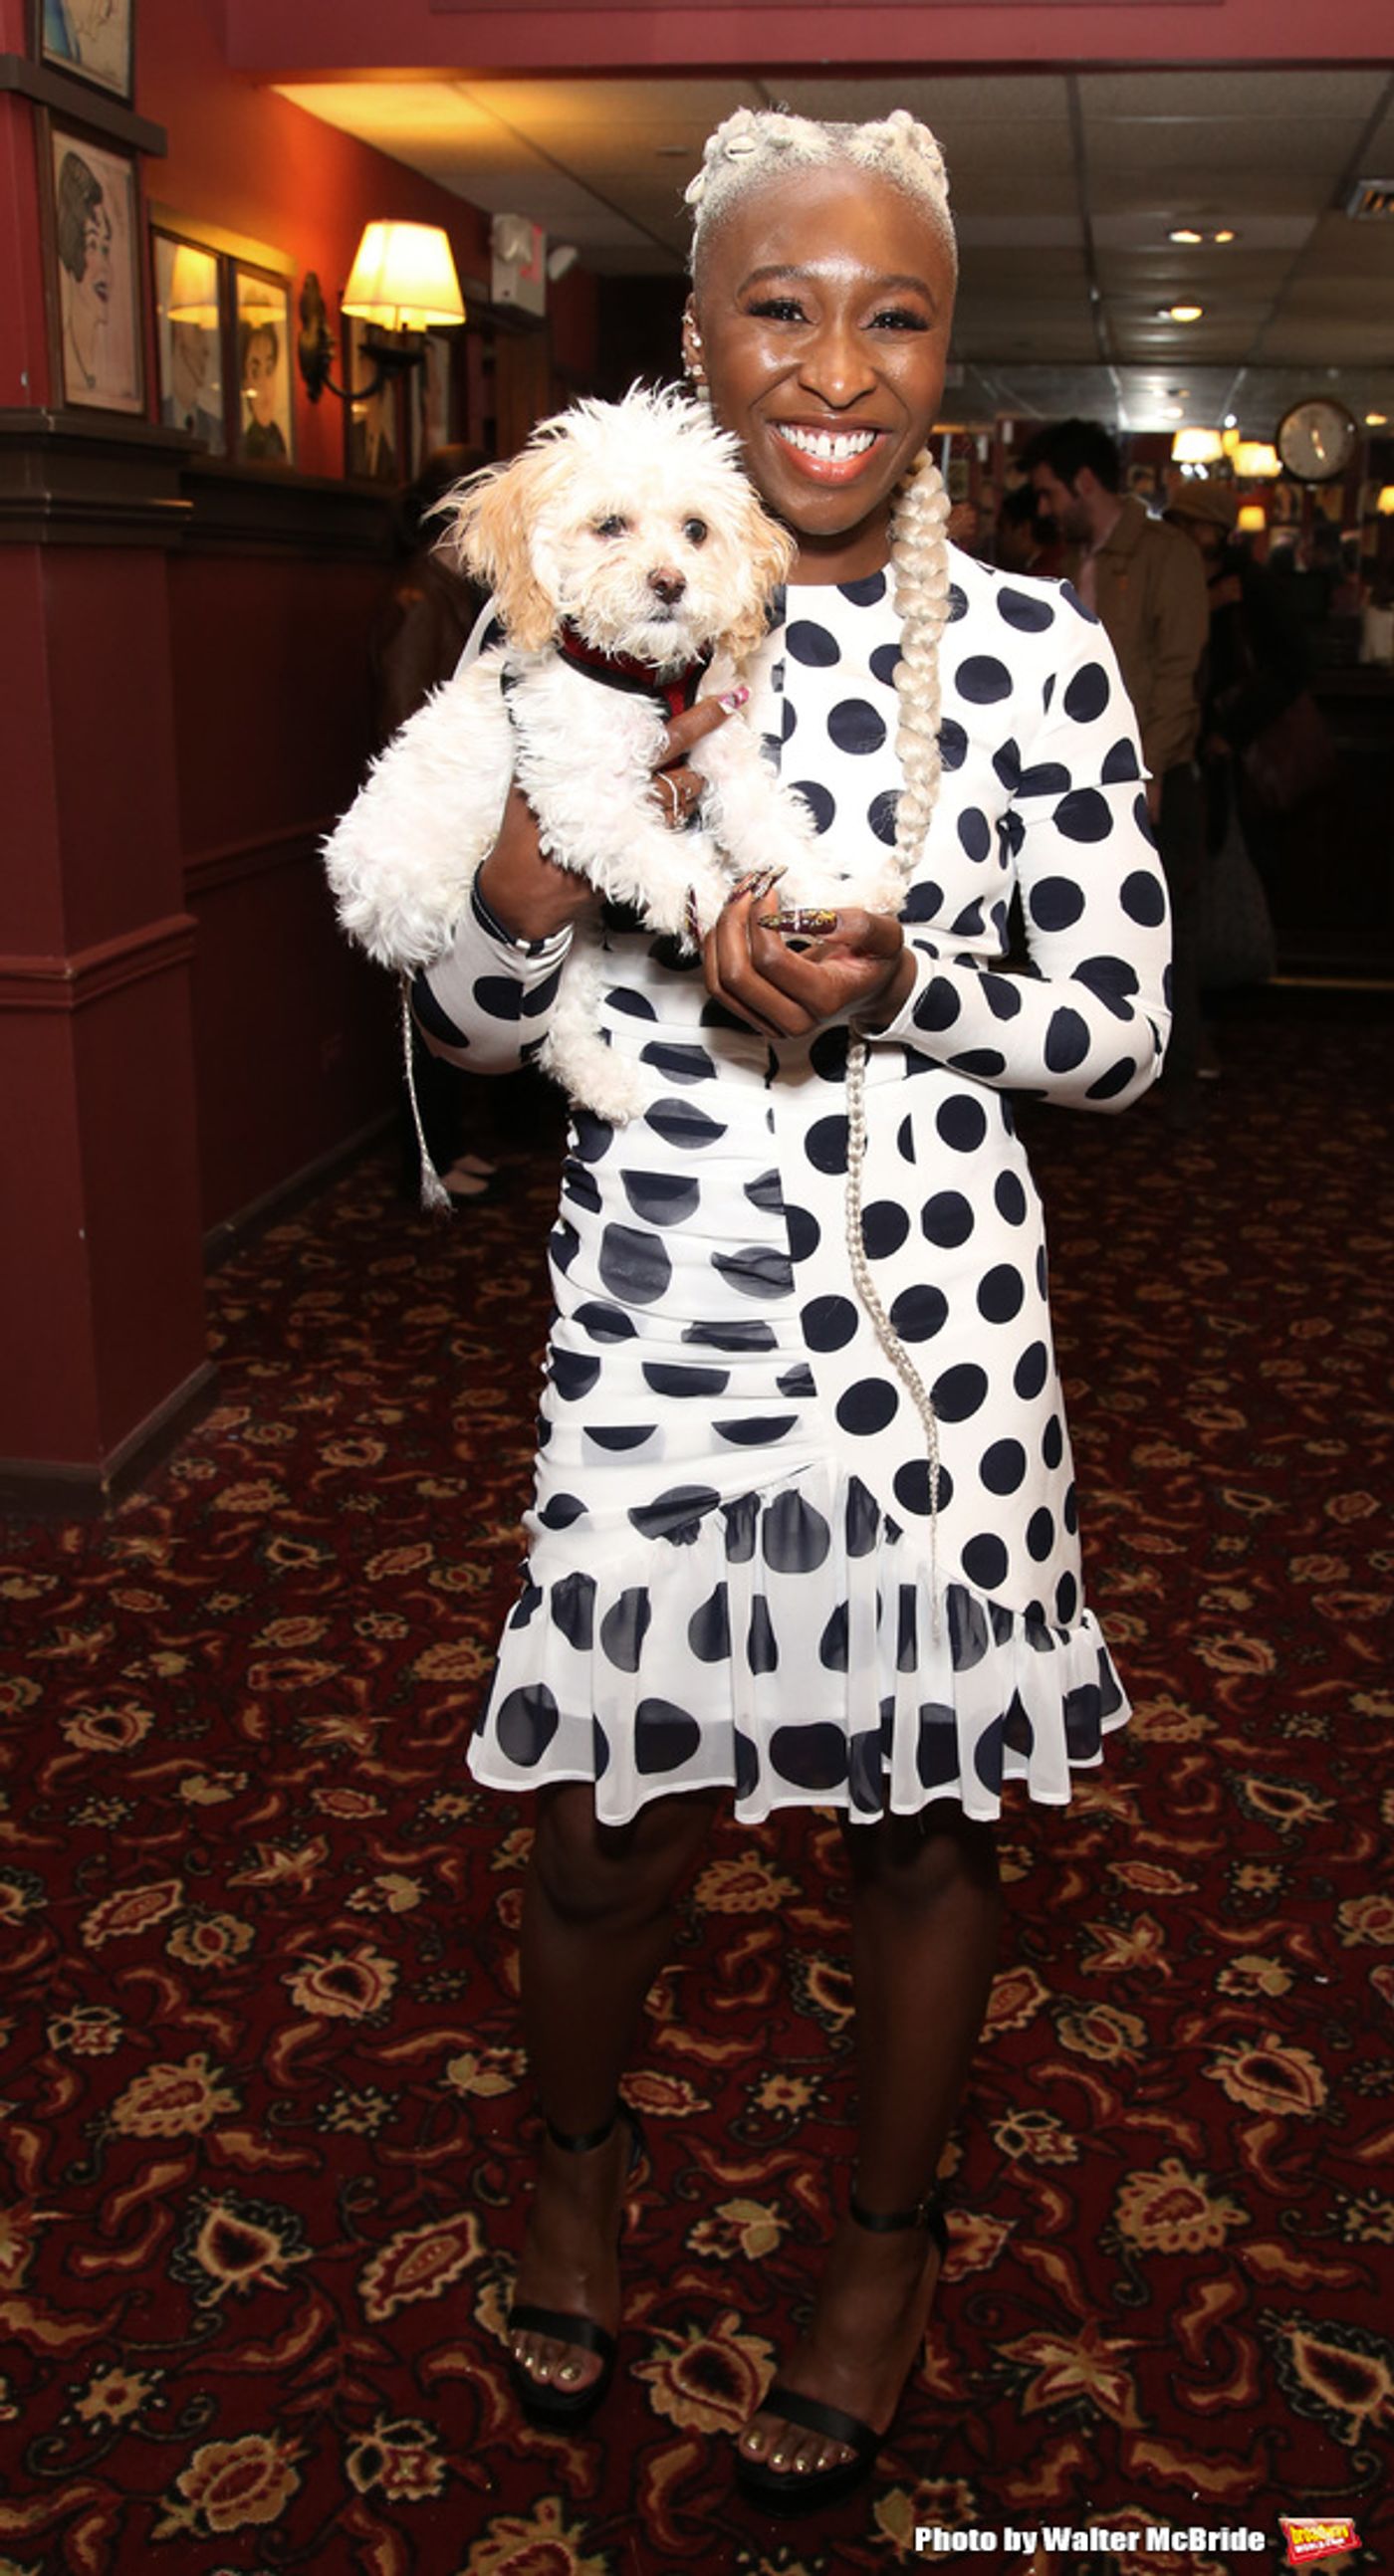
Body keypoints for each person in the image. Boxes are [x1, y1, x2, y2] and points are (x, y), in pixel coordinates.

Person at [336, 106, 1170, 2509]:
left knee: (924, 1829)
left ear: (942, 353)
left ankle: (882, 2258)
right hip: (665, 1306)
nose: (834, 363)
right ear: (694, 338)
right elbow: (471, 1016)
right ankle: (575, 2174)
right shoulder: (582, 601)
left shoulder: (1035, 652)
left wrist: (910, 986)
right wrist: (537, 856)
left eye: (892, 316)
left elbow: (1121, 1027)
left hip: (940, 1337)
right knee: (608, 1825)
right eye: (778, 308)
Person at [1021, 418, 1207, 1117]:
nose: (1044, 508)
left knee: (1164, 931)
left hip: (1157, 779)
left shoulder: (1166, 554)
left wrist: (1147, 774)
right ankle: (1086, 1067)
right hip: (1072, 780)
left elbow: (1178, 675)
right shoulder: (1066, 562)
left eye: (1049, 493)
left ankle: (1173, 1084)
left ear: (1084, 483)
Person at [369, 446, 504, 1202]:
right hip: (428, 822)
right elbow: (403, 725)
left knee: (451, 988)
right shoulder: (421, 597)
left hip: (454, 814)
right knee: (423, 998)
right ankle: (430, 1159)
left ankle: (451, 1146)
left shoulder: (456, 590)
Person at [56, 151, 114, 398]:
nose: (105, 267)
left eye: (106, 249)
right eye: (91, 245)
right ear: (73, 250)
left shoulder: (112, 370)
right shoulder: (63, 362)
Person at [239, 321, 287, 462]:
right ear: (244, 382)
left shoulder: (277, 436)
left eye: (269, 370)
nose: (264, 384)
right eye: (255, 372)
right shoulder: (246, 444)